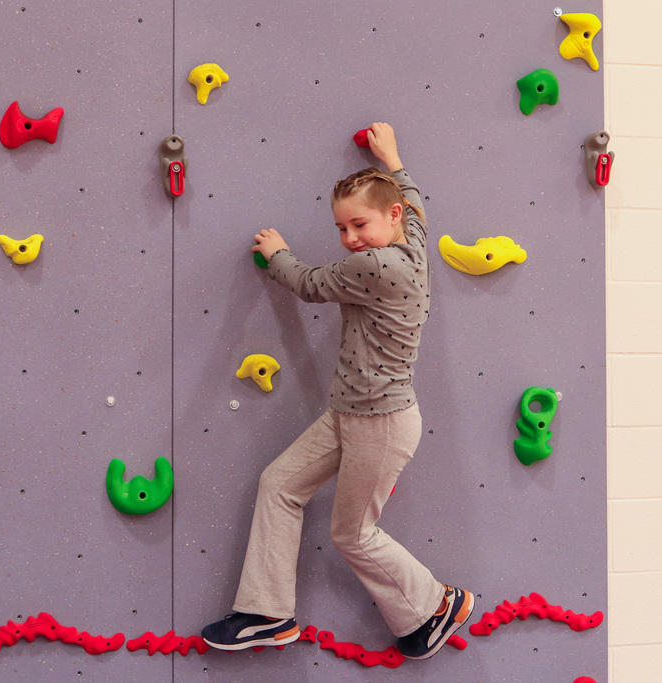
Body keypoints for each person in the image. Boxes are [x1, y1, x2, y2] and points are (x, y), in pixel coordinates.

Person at [201, 122, 474, 660]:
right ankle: (267, 612)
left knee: (353, 533)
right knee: (280, 483)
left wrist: (277, 253)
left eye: (359, 224)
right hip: (352, 411)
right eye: (341, 228)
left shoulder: (378, 263)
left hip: (381, 420)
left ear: (388, 217)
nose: (350, 238)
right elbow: (417, 207)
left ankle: (438, 603)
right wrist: (393, 160)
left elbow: (308, 284)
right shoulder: (411, 240)